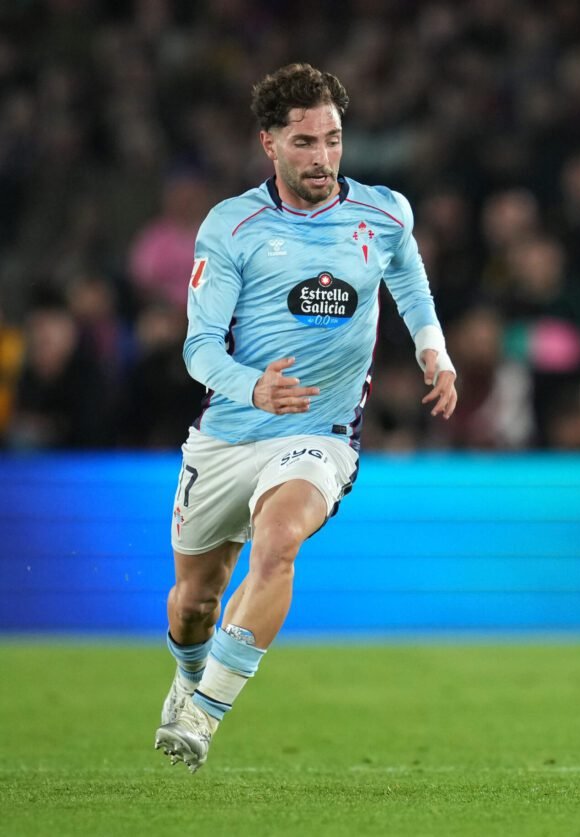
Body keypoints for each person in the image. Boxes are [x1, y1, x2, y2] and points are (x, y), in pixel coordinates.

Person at [154, 64, 457, 772]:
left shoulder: (385, 213)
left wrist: (434, 352)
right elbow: (200, 347)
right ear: (269, 143)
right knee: (194, 602)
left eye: (333, 139)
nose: (323, 157)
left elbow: (409, 279)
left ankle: (203, 715)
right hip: (230, 433)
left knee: (279, 542)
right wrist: (253, 388)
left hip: (322, 434)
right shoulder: (232, 225)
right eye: (304, 142)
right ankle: (187, 677)